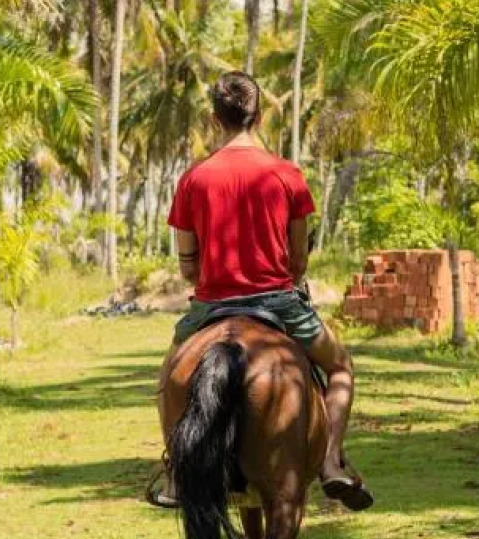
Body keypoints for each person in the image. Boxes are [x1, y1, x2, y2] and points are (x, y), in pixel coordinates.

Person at [150, 71, 371, 511]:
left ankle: (177, 472)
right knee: (342, 367)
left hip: (211, 305)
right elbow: (298, 262)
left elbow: (189, 266)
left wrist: (209, 278)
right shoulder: (287, 175)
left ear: (216, 118)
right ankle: (329, 463)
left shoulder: (194, 180)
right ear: (259, 115)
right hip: (279, 303)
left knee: (168, 376)